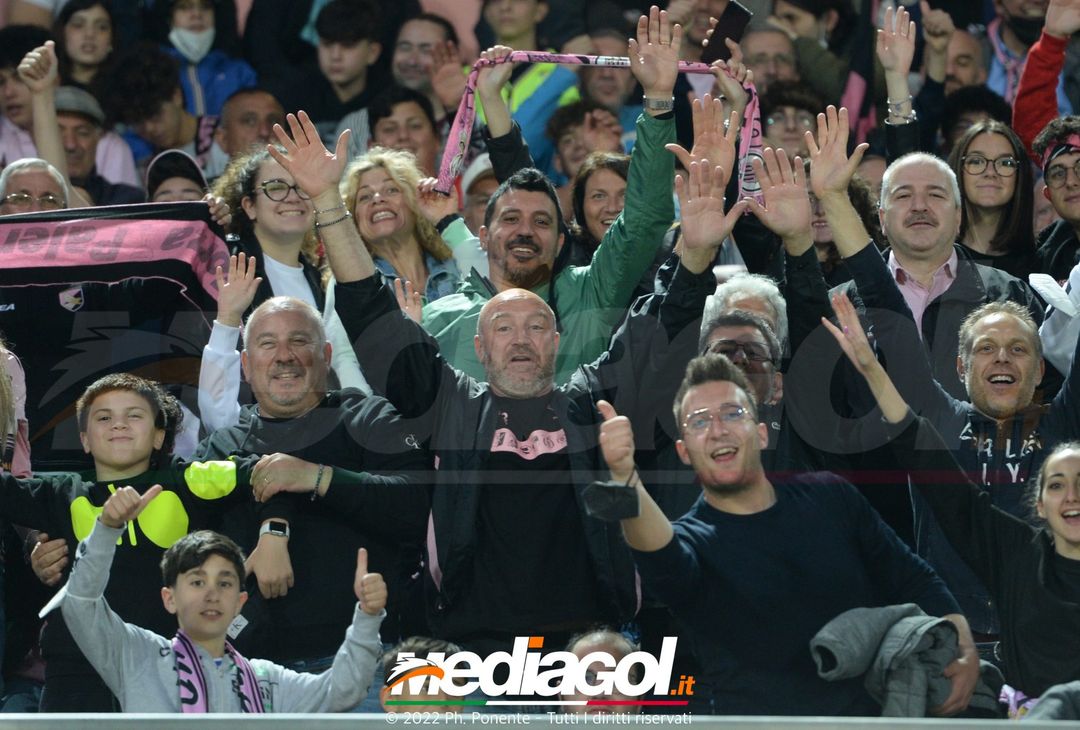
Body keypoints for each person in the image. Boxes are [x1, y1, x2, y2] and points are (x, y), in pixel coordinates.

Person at [266, 106, 744, 657]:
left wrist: (698, 250)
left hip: (589, 649)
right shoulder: (449, 404)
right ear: (477, 346)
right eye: (503, 327)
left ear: (557, 342)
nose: (520, 339)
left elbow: (661, 324)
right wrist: (328, 201)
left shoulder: (591, 402)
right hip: (473, 651)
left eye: (536, 326)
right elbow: (371, 313)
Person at [597, 352, 977, 715]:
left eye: (732, 413)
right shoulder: (692, 544)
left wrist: (962, 646)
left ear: (761, 433)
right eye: (699, 421)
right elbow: (658, 552)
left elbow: (914, 577)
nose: (717, 429)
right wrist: (625, 478)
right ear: (683, 451)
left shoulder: (831, 495)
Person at [825, 289, 1080, 701]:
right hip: (948, 650)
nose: (1002, 358)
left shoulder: (1064, 425)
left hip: (1048, 648)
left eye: (1018, 349)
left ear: (1038, 372)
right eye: (986, 348)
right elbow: (884, 300)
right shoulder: (938, 417)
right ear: (961, 366)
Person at [0, 373, 294, 711]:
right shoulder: (61, 492)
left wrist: (274, 534)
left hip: (168, 667)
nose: (118, 425)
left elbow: (272, 473)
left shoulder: (188, 479)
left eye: (134, 415)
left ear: (158, 436)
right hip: (76, 670)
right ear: (84, 439)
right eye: (104, 417)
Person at [427, 7, 681, 384]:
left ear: (562, 239)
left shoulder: (589, 292)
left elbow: (643, 217)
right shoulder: (437, 320)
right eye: (510, 220)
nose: (525, 230)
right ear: (482, 236)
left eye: (543, 222)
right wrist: (491, 99)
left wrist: (659, 97)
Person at [197, 293, 431, 670]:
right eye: (267, 343)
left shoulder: (368, 419)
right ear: (245, 363)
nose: (284, 355)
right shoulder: (222, 447)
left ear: (325, 354)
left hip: (365, 665)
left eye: (299, 341)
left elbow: (417, 507)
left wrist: (318, 477)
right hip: (248, 674)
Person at [55, 486, 384, 712]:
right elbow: (80, 603)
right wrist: (107, 528)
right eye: (197, 582)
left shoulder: (266, 679)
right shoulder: (137, 655)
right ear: (169, 598)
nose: (212, 594)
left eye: (224, 584)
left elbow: (342, 692)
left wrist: (368, 617)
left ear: (240, 601)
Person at [199, 146, 366, 431]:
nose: (292, 196)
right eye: (275, 187)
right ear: (249, 206)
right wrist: (205, 223)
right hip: (250, 436)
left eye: (301, 187)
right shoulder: (224, 266)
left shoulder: (323, 279)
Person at [18, 41, 141, 206]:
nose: (70, 144)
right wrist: (41, 94)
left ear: (99, 138)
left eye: (82, 132)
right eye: (59, 131)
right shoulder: (18, 200)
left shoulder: (126, 200)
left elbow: (65, 199)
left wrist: (42, 94)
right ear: (35, 136)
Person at [338, 147, 460, 303]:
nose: (377, 199)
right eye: (364, 197)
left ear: (415, 203)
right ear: (354, 220)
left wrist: (446, 217)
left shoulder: (457, 266)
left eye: (391, 190)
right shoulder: (351, 286)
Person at [946, 120, 1037, 280]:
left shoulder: (1040, 263)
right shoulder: (937, 257)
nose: (990, 172)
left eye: (1005, 163)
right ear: (958, 171)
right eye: (976, 161)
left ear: (1020, 177)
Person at [158, 0, 256, 119]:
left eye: (205, 7)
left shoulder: (240, 73)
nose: (197, 14)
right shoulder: (152, 70)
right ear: (170, 18)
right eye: (184, 7)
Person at [203, 87, 286, 181]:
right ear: (223, 139)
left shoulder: (305, 188)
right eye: (249, 121)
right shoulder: (202, 192)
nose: (264, 132)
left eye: (273, 121)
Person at [53, 0, 115, 93]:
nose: (90, 34)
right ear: (62, 33)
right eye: (78, 25)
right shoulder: (47, 85)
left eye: (102, 27)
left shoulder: (128, 90)